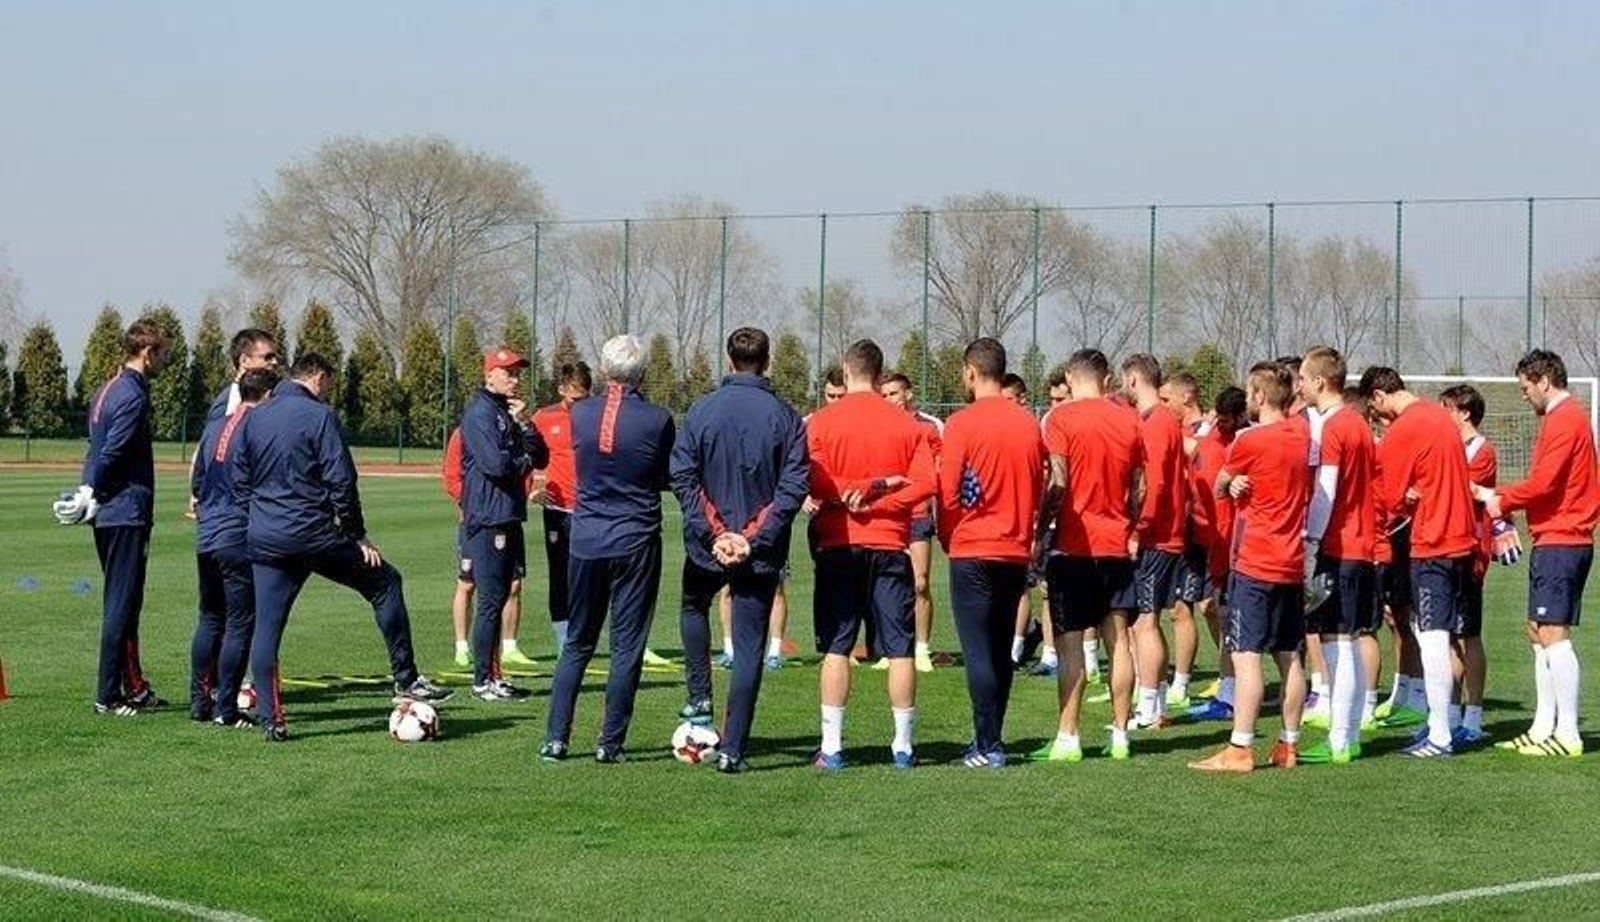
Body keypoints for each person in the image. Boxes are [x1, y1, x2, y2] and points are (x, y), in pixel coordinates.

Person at [234, 353, 452, 741]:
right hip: (313, 534)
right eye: (329, 384)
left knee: (267, 627)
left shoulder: (255, 417)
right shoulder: (319, 417)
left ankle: (272, 720)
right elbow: (341, 480)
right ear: (317, 377)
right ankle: (406, 679)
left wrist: (261, 520)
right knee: (385, 583)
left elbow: (240, 478)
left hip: (266, 537)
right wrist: (356, 534)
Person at [671, 328, 809, 773]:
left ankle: (699, 697)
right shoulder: (786, 417)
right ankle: (732, 748)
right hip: (758, 550)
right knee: (749, 646)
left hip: (710, 546)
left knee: (694, 606)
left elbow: (684, 479)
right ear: (766, 362)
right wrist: (750, 537)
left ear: (729, 361)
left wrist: (717, 535)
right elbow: (792, 489)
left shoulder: (700, 411)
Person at [541, 335, 675, 763]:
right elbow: (665, 476)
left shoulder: (581, 414)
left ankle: (556, 738)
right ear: (644, 373)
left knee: (578, 642)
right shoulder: (657, 419)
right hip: (635, 538)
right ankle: (609, 743)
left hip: (587, 538)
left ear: (602, 370)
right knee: (626, 646)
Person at [806, 340, 935, 769]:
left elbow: (812, 479)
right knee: (900, 649)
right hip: (890, 544)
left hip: (839, 542)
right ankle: (902, 746)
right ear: (881, 377)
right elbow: (924, 484)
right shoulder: (906, 425)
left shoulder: (821, 422)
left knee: (837, 647)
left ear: (845, 371)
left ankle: (832, 747)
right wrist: (880, 490)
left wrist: (848, 494)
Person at [1189, 362, 1310, 773]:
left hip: (1255, 561)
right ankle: (1289, 745)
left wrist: (1232, 484)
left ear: (1258, 396)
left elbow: (1219, 484)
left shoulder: (1248, 440)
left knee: (1246, 656)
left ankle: (1240, 747)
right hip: (1292, 563)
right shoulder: (1302, 434)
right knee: (1290, 657)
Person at [1483, 350, 1599, 757]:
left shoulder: (1565, 420)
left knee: (1553, 633)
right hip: (1554, 537)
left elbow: (1545, 483)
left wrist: (1501, 500)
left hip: (1564, 538)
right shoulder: (1562, 419)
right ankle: (1542, 726)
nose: (1524, 395)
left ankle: (1567, 734)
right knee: (1537, 630)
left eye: (1525, 387)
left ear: (1544, 381)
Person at [1358, 366, 1478, 758]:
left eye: (1375, 411)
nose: (1379, 419)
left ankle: (1440, 734)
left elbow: (1391, 499)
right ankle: (1444, 724)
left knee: (1432, 637)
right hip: (1461, 538)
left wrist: (1407, 495)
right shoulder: (1440, 418)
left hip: (1432, 541)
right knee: (1446, 635)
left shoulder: (1402, 431)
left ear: (1378, 396)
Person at [1031, 348, 1143, 762]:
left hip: (1074, 547)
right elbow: (1140, 486)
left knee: (1072, 644)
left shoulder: (1060, 419)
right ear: (1106, 378)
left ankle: (1069, 737)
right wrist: (1128, 526)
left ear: (1070, 377)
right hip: (1115, 546)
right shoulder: (1129, 420)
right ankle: (1120, 736)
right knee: (1120, 643)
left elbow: (1057, 482)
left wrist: (1041, 531)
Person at [938, 339, 1044, 768]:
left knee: (978, 650)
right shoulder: (1028, 424)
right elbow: (1039, 485)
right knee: (1000, 650)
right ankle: (991, 738)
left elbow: (948, 494)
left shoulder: (961, 424)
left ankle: (987, 744)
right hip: (1014, 549)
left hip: (973, 546)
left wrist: (949, 539)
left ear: (969, 372)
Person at [61, 319, 175, 716]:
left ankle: (134, 688)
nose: (168, 360)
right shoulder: (131, 394)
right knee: (121, 604)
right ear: (147, 352)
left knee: (126, 603)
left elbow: (96, 450)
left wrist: (87, 489)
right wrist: (90, 489)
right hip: (125, 511)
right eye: (164, 353)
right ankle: (107, 696)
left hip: (110, 511)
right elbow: (110, 450)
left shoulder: (107, 388)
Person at [1295, 347, 1376, 765]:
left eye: (1304, 379)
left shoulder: (1335, 427)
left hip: (1340, 546)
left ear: (1321, 382)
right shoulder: (1359, 424)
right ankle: (1350, 735)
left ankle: (1340, 739)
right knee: (1349, 640)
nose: (1300, 386)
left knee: (1337, 643)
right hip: (1359, 545)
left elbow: (1325, 491)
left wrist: (1310, 538)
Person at [458, 348, 550, 701]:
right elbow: (496, 465)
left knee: (500, 596)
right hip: (489, 517)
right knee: (492, 599)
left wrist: (525, 423)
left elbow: (539, 455)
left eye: (517, 373)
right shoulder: (481, 413)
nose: (515, 379)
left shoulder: (505, 413)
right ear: (490, 375)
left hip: (507, 514)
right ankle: (484, 679)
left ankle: (493, 676)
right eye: (508, 372)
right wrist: (522, 458)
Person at [189, 366, 279, 727]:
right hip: (236, 535)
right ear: (268, 396)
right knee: (241, 623)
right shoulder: (258, 427)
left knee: (210, 618)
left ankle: (199, 701)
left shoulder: (214, 427)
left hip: (207, 535)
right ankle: (227, 708)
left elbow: (197, 482)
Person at [1120, 354, 1188, 726]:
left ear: (1133, 381)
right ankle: (1155, 702)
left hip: (1158, 536)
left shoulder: (1158, 422)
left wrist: (1139, 530)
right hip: (1162, 534)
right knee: (1145, 622)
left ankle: (1148, 708)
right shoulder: (1157, 419)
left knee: (1144, 622)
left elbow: (1157, 484)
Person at [1438, 384, 1500, 747]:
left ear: (1464, 412)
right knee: (1447, 635)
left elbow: (1464, 489)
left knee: (1468, 634)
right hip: (1447, 548)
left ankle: (1473, 717)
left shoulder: (1482, 450)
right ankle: (1449, 715)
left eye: (1447, 409)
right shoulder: (1453, 447)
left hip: (1470, 551)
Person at [1185, 386, 1248, 722]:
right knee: (1217, 611)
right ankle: (1229, 688)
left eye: (1228, 421)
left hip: (1237, 546)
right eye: (1219, 420)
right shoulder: (1210, 444)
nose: (1223, 425)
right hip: (1217, 544)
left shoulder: (1247, 443)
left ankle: (1232, 694)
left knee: (1229, 617)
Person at [442, 426, 529, 668]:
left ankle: (509, 647)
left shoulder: (515, 433)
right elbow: (451, 477)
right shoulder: (465, 433)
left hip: (508, 519)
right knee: (467, 583)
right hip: (477, 520)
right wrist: (475, 502)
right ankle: (462, 646)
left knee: (513, 584)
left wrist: (517, 497)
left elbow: (525, 470)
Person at [880, 372, 944, 673]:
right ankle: (890, 647)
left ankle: (921, 648)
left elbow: (938, 475)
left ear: (908, 394)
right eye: (885, 394)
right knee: (889, 585)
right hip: (887, 516)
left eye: (894, 393)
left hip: (917, 514)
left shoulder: (929, 428)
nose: (889, 399)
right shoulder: (877, 427)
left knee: (919, 583)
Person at [530, 361, 593, 655]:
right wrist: (531, 489)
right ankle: (563, 637)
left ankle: (605, 634)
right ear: (561, 390)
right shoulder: (544, 418)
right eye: (573, 399)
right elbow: (524, 454)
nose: (578, 405)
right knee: (560, 574)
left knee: (595, 575)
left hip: (594, 509)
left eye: (583, 398)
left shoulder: (598, 414)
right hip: (558, 510)